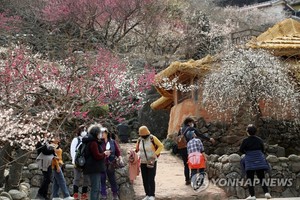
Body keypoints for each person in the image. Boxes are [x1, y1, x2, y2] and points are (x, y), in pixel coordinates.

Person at [177, 117, 215, 185]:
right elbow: (200, 135)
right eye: (192, 122)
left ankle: (187, 180)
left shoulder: (181, 129)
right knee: (193, 164)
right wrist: (209, 139)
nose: (193, 124)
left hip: (182, 149)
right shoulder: (191, 129)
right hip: (191, 149)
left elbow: (178, 139)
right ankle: (195, 179)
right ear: (189, 123)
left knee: (186, 164)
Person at [239, 124, 272, 200]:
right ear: (255, 132)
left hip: (250, 161)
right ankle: (267, 193)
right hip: (259, 161)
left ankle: (252, 195)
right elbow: (263, 149)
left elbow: (240, 150)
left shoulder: (245, 141)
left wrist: (247, 152)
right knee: (262, 178)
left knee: (250, 178)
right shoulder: (259, 140)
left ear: (247, 132)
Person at [82, 124, 111, 200]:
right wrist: (104, 153)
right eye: (99, 133)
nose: (100, 134)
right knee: (95, 188)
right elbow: (97, 156)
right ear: (96, 133)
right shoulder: (93, 143)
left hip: (92, 168)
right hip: (94, 168)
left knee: (97, 188)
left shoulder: (90, 141)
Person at [135, 126, 164, 200]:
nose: (142, 136)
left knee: (151, 178)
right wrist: (132, 152)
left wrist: (155, 154)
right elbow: (137, 149)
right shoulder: (139, 140)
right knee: (144, 179)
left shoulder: (152, 138)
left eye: (142, 134)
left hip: (151, 161)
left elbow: (161, 146)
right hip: (143, 162)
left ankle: (152, 195)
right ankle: (147, 194)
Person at [100, 127, 123, 200]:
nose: (101, 134)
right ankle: (103, 195)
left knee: (112, 180)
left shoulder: (112, 142)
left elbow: (117, 151)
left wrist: (120, 157)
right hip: (102, 163)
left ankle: (115, 195)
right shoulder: (99, 142)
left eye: (102, 133)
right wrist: (104, 153)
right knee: (102, 179)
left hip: (111, 163)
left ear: (106, 133)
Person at [70, 125, 89, 200]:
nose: (84, 132)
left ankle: (84, 195)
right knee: (76, 178)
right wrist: (74, 161)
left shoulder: (87, 140)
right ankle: (75, 195)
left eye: (85, 130)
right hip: (77, 162)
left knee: (86, 179)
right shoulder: (76, 139)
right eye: (82, 130)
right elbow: (72, 150)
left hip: (86, 162)